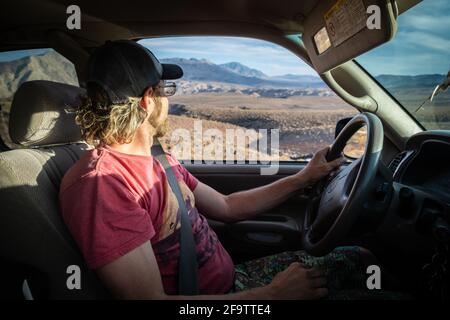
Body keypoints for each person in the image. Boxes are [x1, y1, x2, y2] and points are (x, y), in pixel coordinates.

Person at [59, 40, 379, 300]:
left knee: (362, 259)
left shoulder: (159, 160)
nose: (169, 100)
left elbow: (228, 206)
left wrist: (304, 176)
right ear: (148, 101)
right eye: (165, 90)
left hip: (238, 284)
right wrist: (271, 295)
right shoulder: (102, 185)